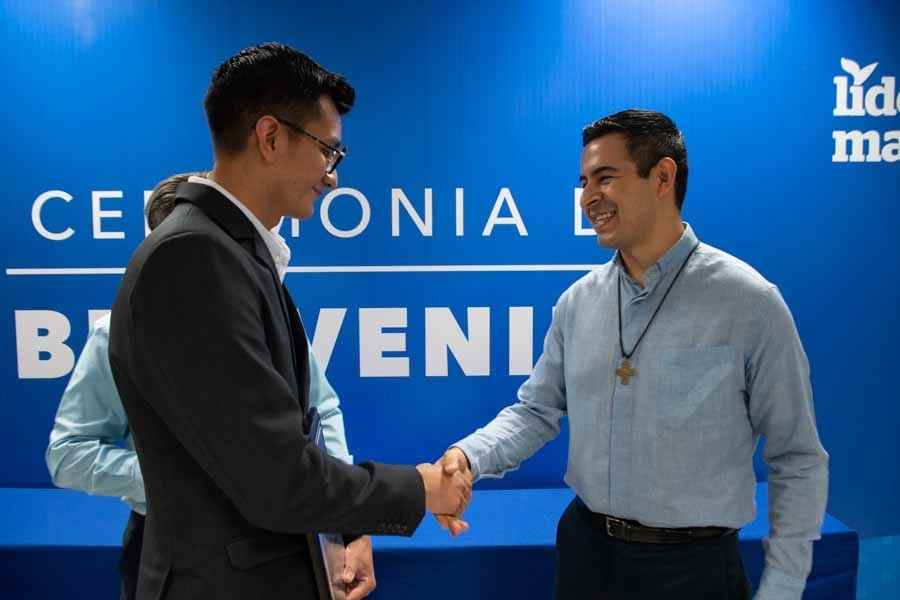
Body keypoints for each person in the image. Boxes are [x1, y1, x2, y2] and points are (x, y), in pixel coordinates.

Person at [108, 43, 469, 600]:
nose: (332, 178)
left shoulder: (231, 253)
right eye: (329, 151)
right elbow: (276, 479)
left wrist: (350, 527)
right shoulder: (192, 260)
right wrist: (420, 488)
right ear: (271, 137)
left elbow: (289, 433)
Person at [437, 109, 828, 600]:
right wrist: (467, 457)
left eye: (606, 178)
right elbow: (535, 412)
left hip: (693, 570)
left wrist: (785, 586)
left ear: (663, 176)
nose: (588, 198)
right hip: (586, 553)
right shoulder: (577, 303)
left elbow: (797, 457)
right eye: (584, 182)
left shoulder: (750, 303)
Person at [46, 172, 364, 599]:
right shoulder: (118, 334)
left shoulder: (274, 320)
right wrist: (169, 479)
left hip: (287, 542)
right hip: (172, 548)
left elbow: (321, 411)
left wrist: (346, 524)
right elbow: (68, 454)